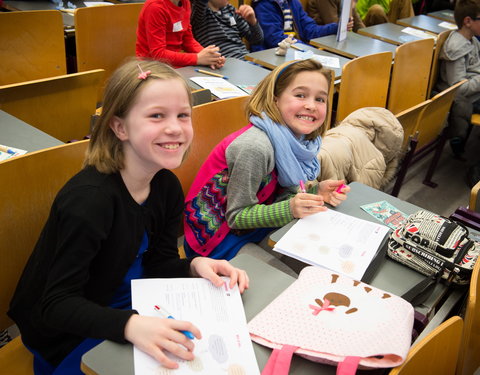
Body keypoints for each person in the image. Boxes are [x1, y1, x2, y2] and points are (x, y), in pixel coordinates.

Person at [8, 58, 249, 374]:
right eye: (156, 116)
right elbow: (56, 305)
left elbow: (158, 262)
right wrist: (130, 325)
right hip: (68, 331)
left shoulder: (165, 185)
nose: (174, 127)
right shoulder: (90, 201)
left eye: (183, 115)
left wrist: (194, 265)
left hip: (131, 304)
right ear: (119, 126)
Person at [184, 59, 349, 260]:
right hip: (216, 241)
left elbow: (280, 194)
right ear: (274, 100)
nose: (311, 105)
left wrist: (316, 192)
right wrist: (291, 208)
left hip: (255, 226)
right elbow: (236, 217)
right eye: (300, 95)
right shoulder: (255, 147)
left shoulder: (299, 141)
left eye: (320, 99)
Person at [436, 0, 480, 157]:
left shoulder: (473, 41)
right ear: (468, 21)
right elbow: (459, 88)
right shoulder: (456, 47)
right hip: (466, 99)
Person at [136, 0, 226, 68]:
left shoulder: (185, 2)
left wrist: (210, 56)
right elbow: (158, 54)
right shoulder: (155, 7)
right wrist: (197, 58)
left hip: (174, 66)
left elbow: (188, 40)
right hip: (152, 67)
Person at [250, 0, 353, 51]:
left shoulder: (293, 2)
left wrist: (336, 27)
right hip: (274, 54)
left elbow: (310, 30)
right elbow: (275, 39)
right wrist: (307, 49)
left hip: (296, 51)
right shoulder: (263, 5)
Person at [191, 0, 264, 58]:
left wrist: (252, 21)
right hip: (220, 63)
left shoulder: (231, 10)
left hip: (244, 59)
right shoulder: (198, 13)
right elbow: (200, 3)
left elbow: (257, 40)